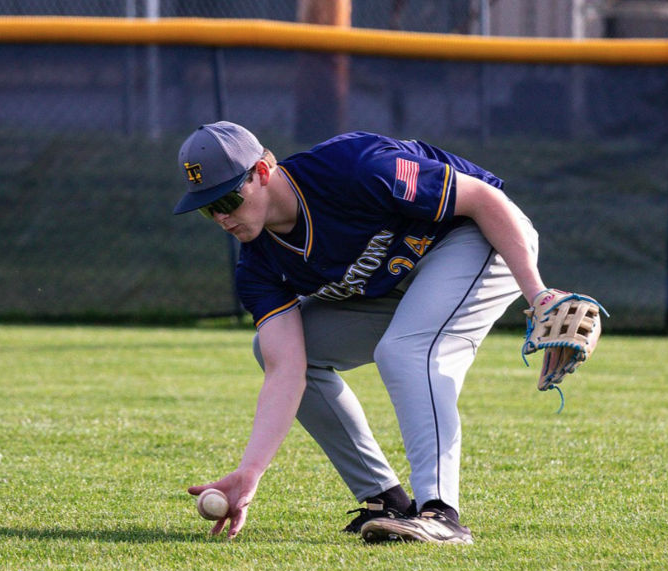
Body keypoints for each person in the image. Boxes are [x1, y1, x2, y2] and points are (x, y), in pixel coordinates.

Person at [174, 121, 591, 544]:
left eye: (228, 197)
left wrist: (536, 294)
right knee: (273, 349)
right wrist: (251, 470)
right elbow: (287, 370)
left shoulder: (349, 168)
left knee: (406, 350)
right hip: (397, 280)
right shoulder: (257, 266)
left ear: (263, 171)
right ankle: (385, 498)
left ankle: (441, 513)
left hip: (479, 235)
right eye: (208, 207)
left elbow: (483, 199)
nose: (222, 216)